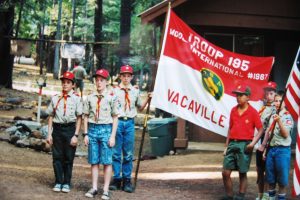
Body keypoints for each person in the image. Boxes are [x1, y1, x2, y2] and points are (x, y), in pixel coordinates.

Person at [109, 65, 151, 193]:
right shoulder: (114, 90)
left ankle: (127, 179)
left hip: (129, 124)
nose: (126, 78)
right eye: (124, 75)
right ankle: (117, 178)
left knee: (128, 153)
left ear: (132, 77)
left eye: (128, 76)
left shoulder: (135, 91)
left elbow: (140, 108)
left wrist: (148, 99)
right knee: (116, 152)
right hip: (118, 122)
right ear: (120, 76)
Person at [221, 84, 264, 200]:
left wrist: (252, 144)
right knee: (225, 172)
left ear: (248, 97)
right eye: (237, 95)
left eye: (241, 95)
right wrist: (226, 146)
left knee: (242, 172)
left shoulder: (253, 112)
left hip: (245, 145)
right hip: (232, 143)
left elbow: (261, 129)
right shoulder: (233, 110)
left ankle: (240, 196)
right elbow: (230, 129)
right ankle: (229, 196)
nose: (238, 97)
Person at [83, 69, 119, 200]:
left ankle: (105, 189)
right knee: (94, 160)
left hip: (106, 130)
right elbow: (86, 116)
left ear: (106, 82)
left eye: (101, 80)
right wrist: (86, 134)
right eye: (97, 80)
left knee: (107, 161)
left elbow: (115, 117)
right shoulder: (90, 97)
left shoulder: (111, 97)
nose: (99, 83)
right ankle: (94, 188)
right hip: (92, 130)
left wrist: (113, 136)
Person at [46, 71, 82, 193]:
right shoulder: (56, 98)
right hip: (57, 129)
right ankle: (58, 181)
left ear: (73, 85)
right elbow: (50, 115)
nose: (65, 84)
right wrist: (49, 133)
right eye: (63, 82)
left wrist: (76, 135)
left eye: (68, 82)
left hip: (70, 129)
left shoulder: (77, 99)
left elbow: (79, 118)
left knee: (68, 157)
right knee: (57, 157)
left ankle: (66, 182)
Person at [258, 91, 294, 200]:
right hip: (271, 150)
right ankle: (271, 198)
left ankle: (281, 198)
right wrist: (265, 149)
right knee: (270, 178)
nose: (278, 103)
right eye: (276, 101)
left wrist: (279, 122)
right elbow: (268, 133)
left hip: (282, 151)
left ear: (285, 103)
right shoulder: (273, 115)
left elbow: (285, 134)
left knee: (282, 181)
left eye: (280, 101)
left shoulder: (287, 116)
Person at [256, 81, 277, 200]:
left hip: (270, 143)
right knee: (260, 170)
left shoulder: (276, 109)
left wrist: (264, 144)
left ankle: (269, 195)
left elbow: (269, 128)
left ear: (275, 95)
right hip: (260, 141)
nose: (268, 95)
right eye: (267, 93)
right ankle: (260, 195)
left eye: (271, 93)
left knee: (269, 171)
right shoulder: (263, 107)